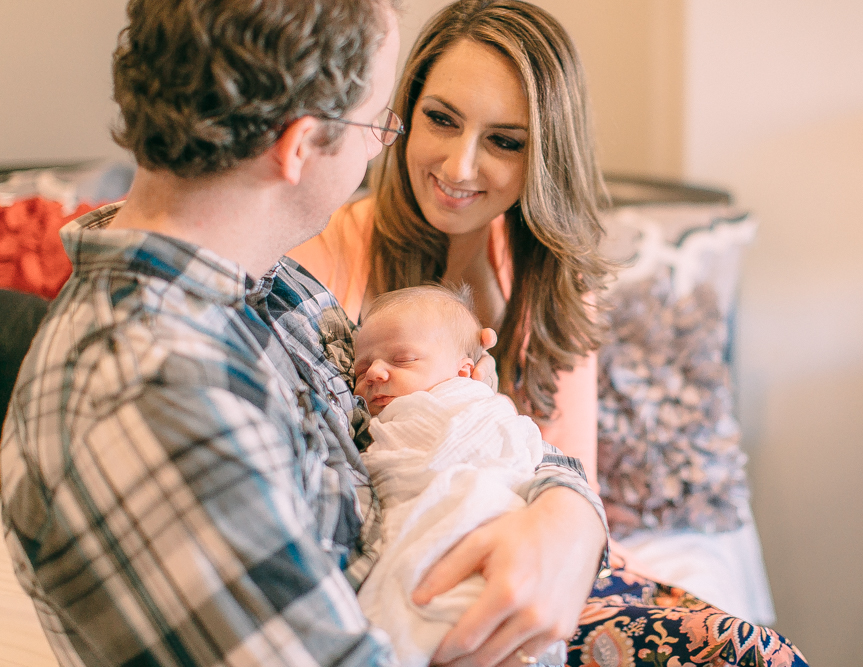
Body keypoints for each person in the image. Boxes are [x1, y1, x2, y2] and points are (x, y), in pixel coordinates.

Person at [0, 0, 611, 664]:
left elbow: (448, 426)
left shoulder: (277, 287)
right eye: (381, 120)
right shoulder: (147, 395)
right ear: (300, 144)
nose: (387, 141)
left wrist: (570, 517)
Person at [289, 1, 810, 664]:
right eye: (440, 119)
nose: (458, 166)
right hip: (400, 575)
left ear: (544, 155)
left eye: (504, 141)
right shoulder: (323, 254)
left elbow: (570, 480)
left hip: (537, 563)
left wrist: (563, 538)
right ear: (405, 112)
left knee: (753, 651)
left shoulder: (557, 286)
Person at [353, 285, 565, 667]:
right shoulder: (376, 427)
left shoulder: (474, 409)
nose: (375, 373)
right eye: (361, 368)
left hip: (493, 535)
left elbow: (518, 450)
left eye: (401, 360)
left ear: (464, 373)